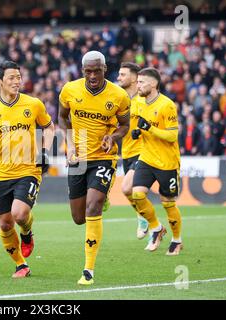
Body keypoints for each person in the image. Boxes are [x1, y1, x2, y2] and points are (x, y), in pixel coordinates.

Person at [0, 61, 55, 278]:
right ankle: (21, 265)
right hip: (2, 173)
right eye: (11, 78)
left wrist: (45, 151)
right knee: (5, 223)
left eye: (19, 77)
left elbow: (49, 127)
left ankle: (27, 232)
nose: (17, 81)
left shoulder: (33, 104)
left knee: (19, 214)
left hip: (29, 169)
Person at [58, 51, 130, 285]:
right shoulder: (69, 90)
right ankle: (101, 196)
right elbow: (62, 117)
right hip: (78, 159)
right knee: (79, 218)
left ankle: (88, 270)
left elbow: (125, 125)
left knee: (93, 206)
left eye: (96, 71)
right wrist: (69, 144)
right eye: (87, 71)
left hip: (103, 157)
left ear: (104, 70)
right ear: (82, 71)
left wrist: (113, 136)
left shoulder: (118, 96)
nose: (91, 76)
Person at [132, 67, 183, 255]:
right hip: (146, 158)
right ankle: (156, 228)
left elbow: (172, 136)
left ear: (153, 84)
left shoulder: (166, 105)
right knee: (136, 194)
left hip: (167, 162)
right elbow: (143, 127)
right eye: (137, 82)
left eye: (141, 82)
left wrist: (149, 129)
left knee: (168, 203)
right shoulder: (138, 103)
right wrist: (138, 133)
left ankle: (176, 240)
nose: (138, 85)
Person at [116, 62, 149, 240]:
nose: (119, 77)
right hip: (127, 152)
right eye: (119, 74)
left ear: (135, 78)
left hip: (144, 151)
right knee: (130, 191)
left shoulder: (144, 99)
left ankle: (144, 217)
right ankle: (150, 221)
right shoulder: (120, 101)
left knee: (127, 187)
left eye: (123, 74)